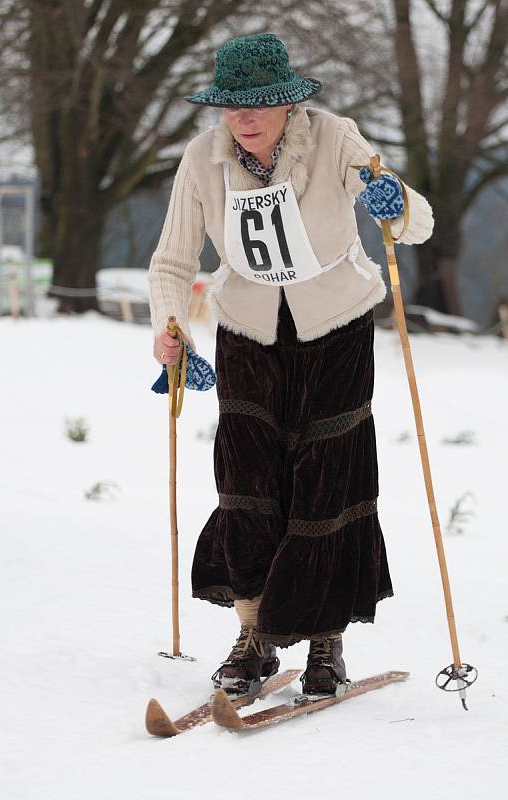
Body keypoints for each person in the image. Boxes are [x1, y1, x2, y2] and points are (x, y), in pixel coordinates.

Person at [149, 32, 434, 696]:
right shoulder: (201, 160)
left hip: (334, 324)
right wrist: (170, 327)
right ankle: (252, 633)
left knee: (324, 481)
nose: (243, 119)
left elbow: (412, 223)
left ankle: (325, 640)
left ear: (284, 103)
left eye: (257, 104)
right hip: (246, 327)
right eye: (231, 106)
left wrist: (391, 202)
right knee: (246, 481)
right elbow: (171, 261)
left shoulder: (334, 138)